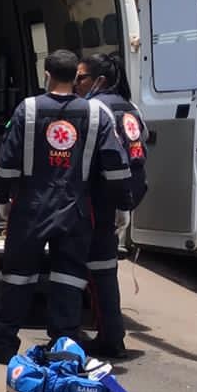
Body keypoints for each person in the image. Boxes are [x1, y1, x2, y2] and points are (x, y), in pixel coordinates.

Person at [0, 50, 132, 363]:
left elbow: (7, 163)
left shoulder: (28, 109)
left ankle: (1, 344)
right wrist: (121, 206)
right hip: (76, 209)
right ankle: (64, 347)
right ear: (77, 76)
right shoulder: (96, 114)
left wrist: (3, 199)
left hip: (30, 208)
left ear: (46, 74)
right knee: (69, 278)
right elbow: (115, 166)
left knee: (17, 277)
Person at [76, 52, 148, 358]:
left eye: (81, 78)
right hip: (127, 193)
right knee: (104, 268)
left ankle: (109, 338)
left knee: (97, 270)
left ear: (99, 81)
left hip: (102, 196)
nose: (76, 83)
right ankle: (111, 333)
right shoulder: (131, 108)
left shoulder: (95, 108)